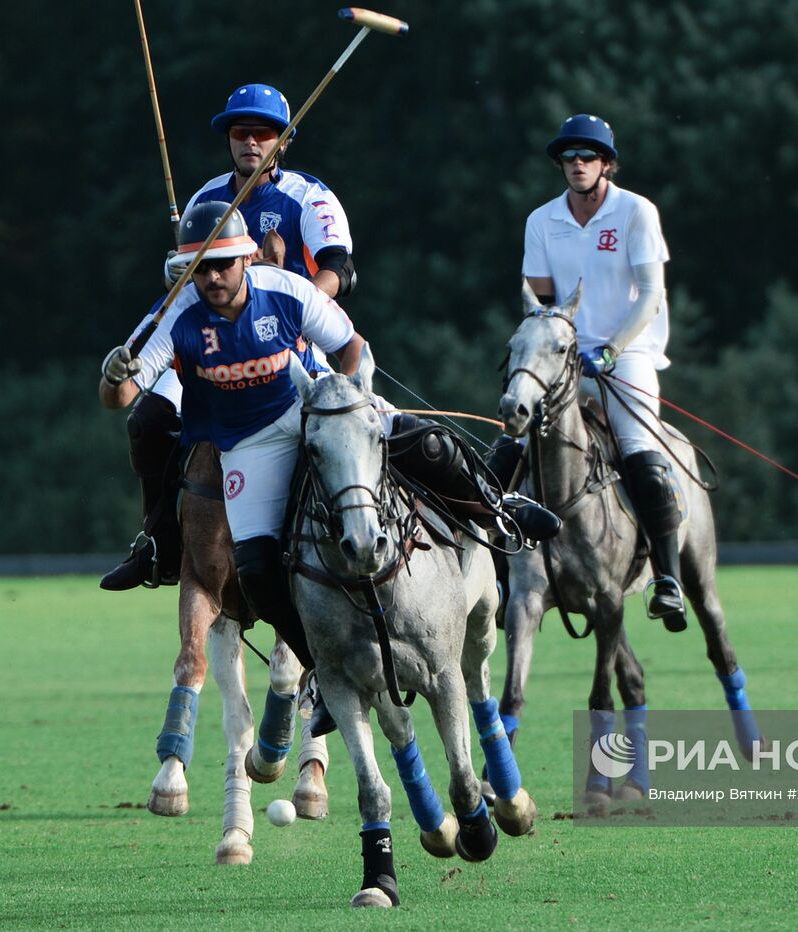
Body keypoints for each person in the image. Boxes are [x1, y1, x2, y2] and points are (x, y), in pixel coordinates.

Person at [100, 203, 558, 700]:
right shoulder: (180, 313)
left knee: (423, 442)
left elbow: (352, 346)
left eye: (223, 264)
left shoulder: (287, 291)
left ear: (247, 259)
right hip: (247, 441)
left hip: (310, 404)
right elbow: (122, 398)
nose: (213, 276)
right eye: (203, 266)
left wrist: (350, 394)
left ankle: (497, 506)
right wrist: (113, 376)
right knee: (254, 572)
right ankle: (319, 671)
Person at [101, 82, 358, 591]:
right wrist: (177, 273)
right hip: (207, 348)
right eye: (241, 132)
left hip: (287, 345)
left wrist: (291, 294)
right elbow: (181, 275)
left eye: (263, 132)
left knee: (371, 430)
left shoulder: (309, 196)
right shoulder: (206, 198)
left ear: (282, 141)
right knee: (149, 419)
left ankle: (419, 522)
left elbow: (340, 269)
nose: (251, 142)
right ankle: (158, 543)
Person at [511, 112, 688, 628]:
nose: (577, 164)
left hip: (626, 355)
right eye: (568, 157)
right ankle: (499, 571)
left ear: (606, 164)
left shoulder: (636, 212)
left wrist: (612, 349)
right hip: (562, 358)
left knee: (641, 453)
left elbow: (652, 295)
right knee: (515, 450)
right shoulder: (541, 221)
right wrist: (553, 346)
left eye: (587, 156)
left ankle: (668, 577)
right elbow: (540, 300)